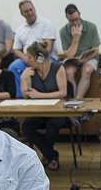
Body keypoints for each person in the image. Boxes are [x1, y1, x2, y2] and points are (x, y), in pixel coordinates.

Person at [21, 42, 68, 171]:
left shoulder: (58, 68)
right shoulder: (30, 71)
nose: (27, 60)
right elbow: (27, 96)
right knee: (27, 126)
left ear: (39, 57)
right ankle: (51, 155)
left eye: (30, 57)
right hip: (40, 111)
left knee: (53, 124)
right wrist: (24, 78)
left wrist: (39, 95)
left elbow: (63, 93)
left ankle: (48, 156)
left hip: (58, 112)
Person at [11, 0, 57, 98]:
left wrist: (35, 61)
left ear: (34, 9)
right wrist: (26, 59)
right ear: (22, 13)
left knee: (41, 65)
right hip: (27, 58)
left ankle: (42, 95)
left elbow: (47, 49)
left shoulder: (46, 24)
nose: (29, 13)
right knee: (13, 67)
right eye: (26, 11)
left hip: (45, 58)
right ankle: (21, 97)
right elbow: (16, 49)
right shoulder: (20, 29)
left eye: (31, 9)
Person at [58, 3, 101, 100]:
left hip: (89, 58)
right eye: (71, 20)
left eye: (76, 19)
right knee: (68, 72)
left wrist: (83, 60)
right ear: (67, 18)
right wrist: (75, 39)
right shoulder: (63, 31)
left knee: (87, 70)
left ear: (80, 14)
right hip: (73, 59)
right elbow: (69, 55)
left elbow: (96, 51)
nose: (75, 23)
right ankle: (72, 98)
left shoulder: (91, 27)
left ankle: (77, 99)